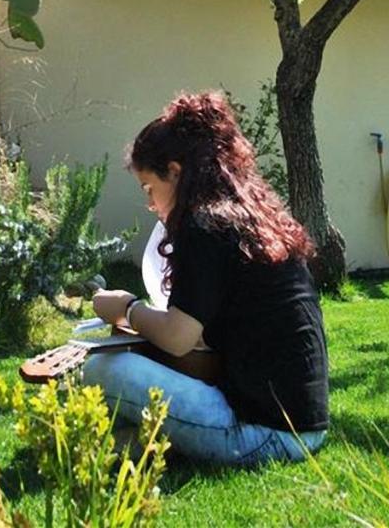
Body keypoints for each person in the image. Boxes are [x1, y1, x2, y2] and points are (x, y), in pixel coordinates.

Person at [84, 92, 328, 466]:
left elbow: (178, 337)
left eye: (150, 188)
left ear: (176, 172)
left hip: (263, 434)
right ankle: (142, 441)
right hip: (306, 429)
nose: (150, 203)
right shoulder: (250, 219)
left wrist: (126, 308)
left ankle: (140, 440)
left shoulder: (203, 223)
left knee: (100, 367)